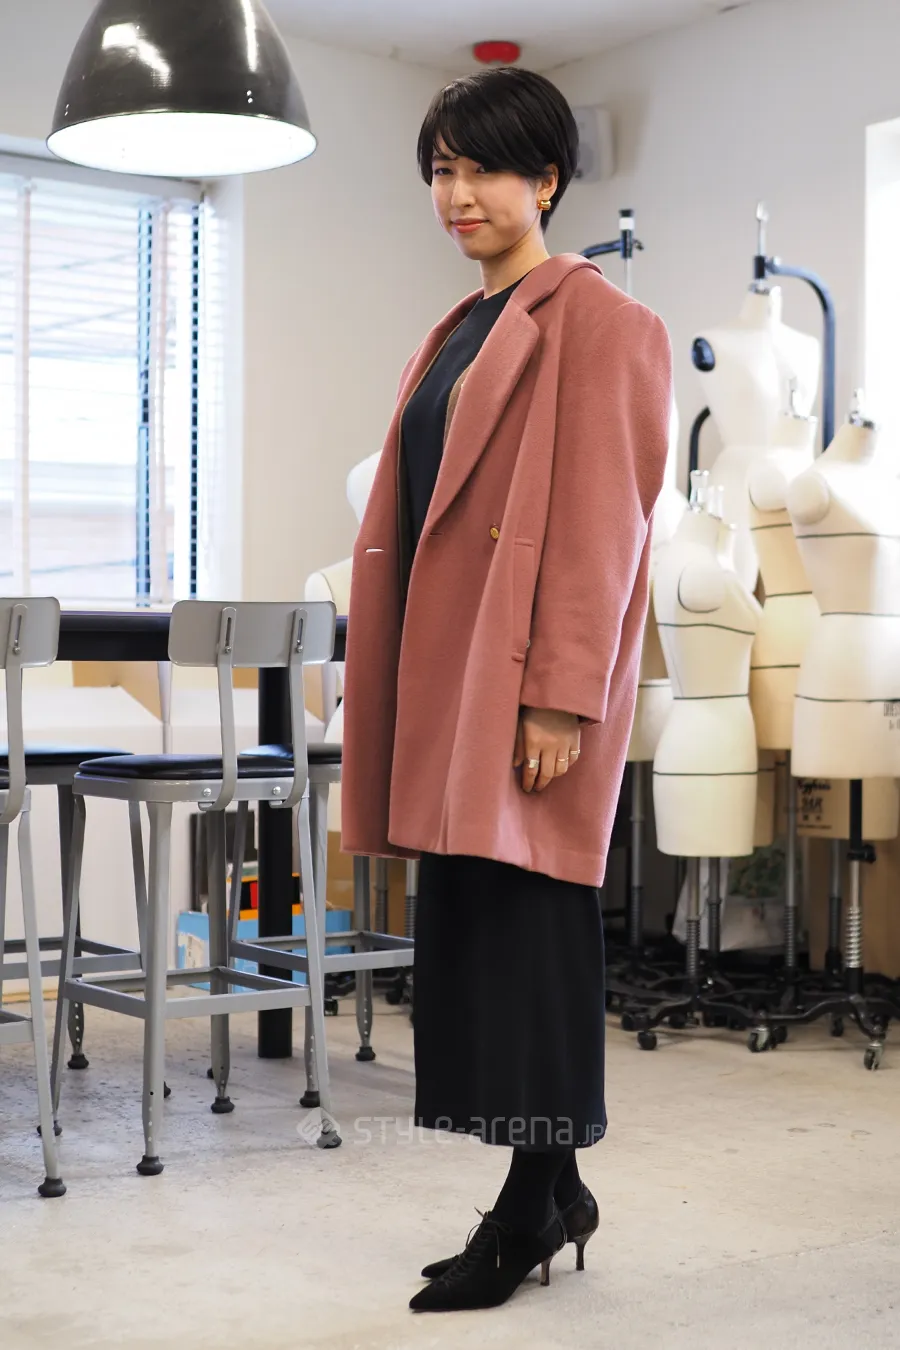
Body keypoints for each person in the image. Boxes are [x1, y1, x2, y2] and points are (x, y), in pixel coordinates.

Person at [340, 66, 672, 1313]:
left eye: (482, 168)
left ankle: (531, 1206)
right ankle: (554, 1190)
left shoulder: (603, 323)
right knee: (478, 929)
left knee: (531, 929)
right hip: (453, 676)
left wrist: (561, 696)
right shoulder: (458, 329)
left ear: (547, 179)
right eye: (441, 169)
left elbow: (606, 525)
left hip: (522, 684)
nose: (457, 193)